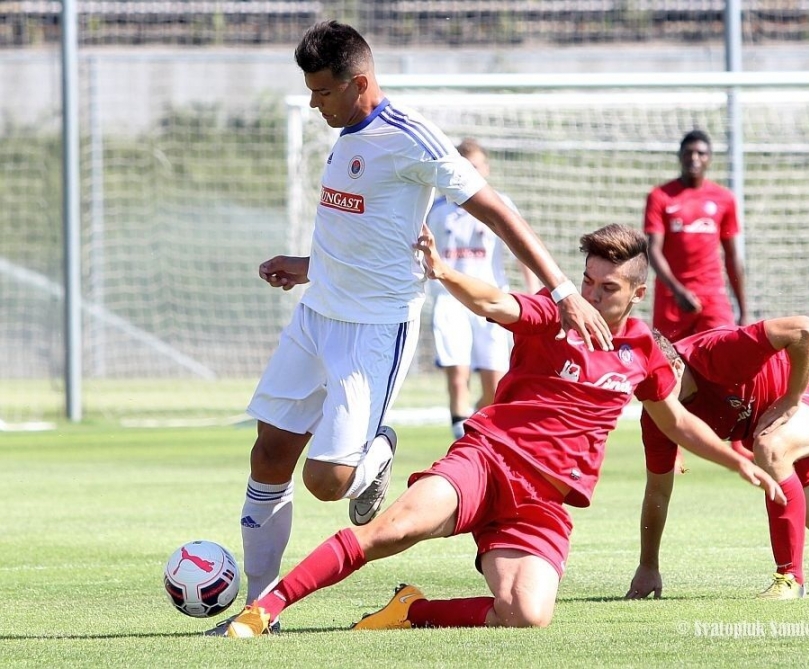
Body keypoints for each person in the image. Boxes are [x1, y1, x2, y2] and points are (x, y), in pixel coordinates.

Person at [208, 20, 614, 634]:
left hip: (373, 330)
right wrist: (306, 266)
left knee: (327, 482)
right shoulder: (345, 134)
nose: (314, 104)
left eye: (322, 92)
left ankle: (375, 453)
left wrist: (561, 291)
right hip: (316, 316)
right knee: (268, 453)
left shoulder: (412, 139)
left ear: (360, 82)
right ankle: (260, 607)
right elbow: (364, 233)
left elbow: (497, 209)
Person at [215, 223, 784, 637]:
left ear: (637, 293)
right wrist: (441, 272)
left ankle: (412, 611)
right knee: (394, 530)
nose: (590, 294)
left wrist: (736, 459)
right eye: (586, 281)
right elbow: (494, 302)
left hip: (542, 502)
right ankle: (266, 608)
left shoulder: (644, 354)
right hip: (486, 460)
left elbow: (677, 421)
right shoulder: (553, 314)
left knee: (526, 615)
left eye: (607, 288)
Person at [626, 318, 809, 601]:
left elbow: (804, 329)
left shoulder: (716, 353)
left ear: (675, 366)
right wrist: (648, 565)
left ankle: (790, 578)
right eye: (639, 391)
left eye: (653, 384)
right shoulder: (657, 416)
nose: (650, 397)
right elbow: (657, 491)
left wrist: (793, 397)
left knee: (770, 448)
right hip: (779, 431)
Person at [643, 129, 750, 470]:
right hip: (673, 299)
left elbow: (733, 256)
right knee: (668, 371)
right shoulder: (661, 196)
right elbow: (653, 251)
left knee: (728, 366)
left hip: (713, 298)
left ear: (709, 157)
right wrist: (677, 290)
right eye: (689, 151)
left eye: (701, 152)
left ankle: (739, 439)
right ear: (680, 155)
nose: (695, 157)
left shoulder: (723, 199)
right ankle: (674, 444)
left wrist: (743, 307)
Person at [426, 137, 540, 439]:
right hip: (450, 302)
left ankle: (475, 422)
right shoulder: (436, 209)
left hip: (491, 301)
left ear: (485, 169)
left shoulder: (498, 204)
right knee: (457, 377)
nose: (471, 173)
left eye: (476, 167)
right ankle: (461, 445)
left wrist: (532, 289)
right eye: (465, 168)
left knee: (496, 385)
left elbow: (521, 246)